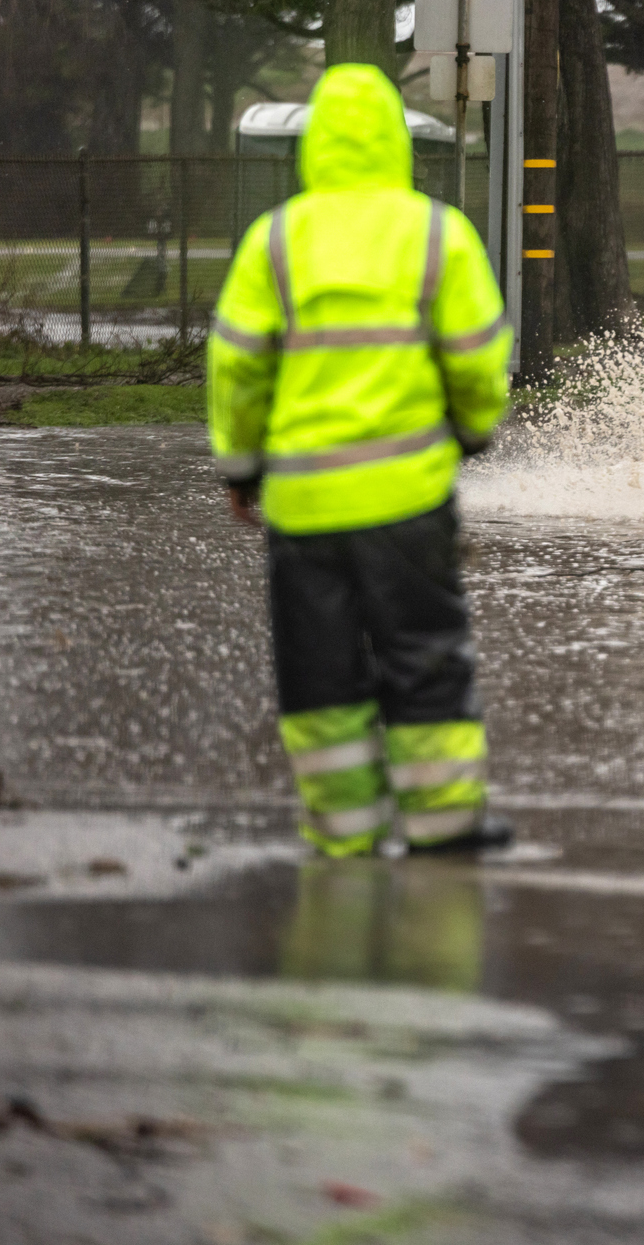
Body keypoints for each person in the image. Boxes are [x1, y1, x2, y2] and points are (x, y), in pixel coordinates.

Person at [208, 63, 512, 857]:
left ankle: (343, 834)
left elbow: (237, 368)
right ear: (395, 143)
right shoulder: (438, 232)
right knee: (423, 656)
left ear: (313, 144)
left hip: (303, 506)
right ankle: (444, 825)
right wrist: (475, 429)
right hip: (408, 500)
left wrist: (241, 469)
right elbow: (479, 357)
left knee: (319, 671)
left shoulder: (274, 239)